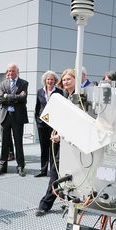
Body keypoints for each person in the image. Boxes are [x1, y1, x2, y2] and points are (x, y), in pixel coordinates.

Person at [36, 68, 75, 216]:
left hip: (71, 143)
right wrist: (56, 132)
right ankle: (56, 202)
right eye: (64, 80)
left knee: (60, 173)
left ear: (75, 80)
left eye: (68, 79)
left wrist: (62, 135)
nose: (65, 82)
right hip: (61, 141)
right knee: (56, 171)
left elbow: (76, 123)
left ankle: (51, 203)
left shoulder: (79, 98)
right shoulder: (65, 95)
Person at [0, 63, 28, 176]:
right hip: (5, 117)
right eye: (9, 71)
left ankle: (20, 167)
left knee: (18, 143)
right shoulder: (3, 83)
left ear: (17, 72)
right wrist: (15, 98)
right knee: (4, 143)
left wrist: (7, 96)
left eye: (13, 71)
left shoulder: (23, 83)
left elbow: (23, 98)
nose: (10, 73)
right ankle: (2, 166)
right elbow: (0, 99)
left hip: (18, 117)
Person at [35, 70, 61, 178]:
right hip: (42, 124)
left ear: (55, 81)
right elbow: (37, 107)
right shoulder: (40, 91)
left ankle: (52, 171)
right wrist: (38, 121)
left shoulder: (59, 92)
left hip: (53, 125)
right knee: (43, 147)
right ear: (45, 80)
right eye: (48, 79)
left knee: (53, 148)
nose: (49, 81)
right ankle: (43, 170)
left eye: (51, 79)